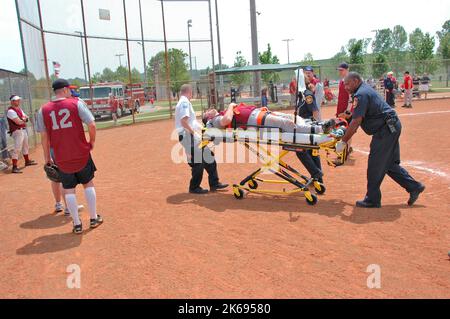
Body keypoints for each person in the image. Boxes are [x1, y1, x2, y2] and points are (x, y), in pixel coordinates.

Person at [336, 72, 425, 208]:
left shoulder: (361, 94)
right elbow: (361, 113)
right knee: (388, 164)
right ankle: (414, 187)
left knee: (375, 164)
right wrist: (349, 115)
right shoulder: (362, 90)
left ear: (355, 80)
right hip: (390, 127)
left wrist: (343, 142)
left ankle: (372, 199)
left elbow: (356, 122)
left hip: (386, 130)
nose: (346, 87)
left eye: (347, 84)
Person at [37, 79, 103, 234]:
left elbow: (44, 137)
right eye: (70, 90)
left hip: (60, 156)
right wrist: (91, 142)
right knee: (88, 183)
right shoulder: (76, 103)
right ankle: (93, 218)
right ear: (65, 90)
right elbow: (92, 124)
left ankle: (77, 224)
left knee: (68, 189)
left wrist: (47, 157)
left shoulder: (43, 110)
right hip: (81, 152)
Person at [175, 84, 228, 195]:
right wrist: (194, 134)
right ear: (189, 92)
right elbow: (184, 122)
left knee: (209, 157)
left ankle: (214, 183)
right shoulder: (184, 103)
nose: (192, 94)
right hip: (188, 136)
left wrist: (202, 128)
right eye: (192, 92)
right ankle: (194, 187)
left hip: (190, 135)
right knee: (198, 162)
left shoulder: (185, 102)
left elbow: (191, 122)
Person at [203, 102, 335, 134]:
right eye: (207, 112)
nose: (209, 110)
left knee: (291, 117)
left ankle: (317, 124)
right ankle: (320, 129)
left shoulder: (221, 113)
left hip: (259, 114)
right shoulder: (215, 120)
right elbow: (226, 121)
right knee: (287, 123)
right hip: (255, 120)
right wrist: (231, 106)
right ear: (208, 117)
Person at [6, 95, 37, 174]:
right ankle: (14, 167)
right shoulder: (10, 111)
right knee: (17, 148)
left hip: (22, 130)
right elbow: (18, 122)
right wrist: (24, 119)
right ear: (12, 101)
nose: (18, 101)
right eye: (16, 100)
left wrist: (23, 119)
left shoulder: (19, 109)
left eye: (18, 100)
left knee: (25, 146)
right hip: (17, 131)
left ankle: (27, 161)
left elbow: (26, 117)